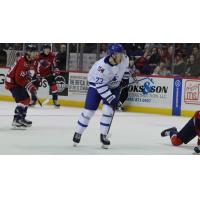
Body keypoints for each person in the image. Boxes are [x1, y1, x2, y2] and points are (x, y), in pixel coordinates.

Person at [73, 44, 129, 149]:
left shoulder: (125, 59)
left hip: (114, 87)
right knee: (88, 112)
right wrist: (112, 100)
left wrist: (125, 81)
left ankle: (103, 136)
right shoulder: (101, 67)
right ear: (112, 55)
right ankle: (78, 132)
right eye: (119, 54)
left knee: (108, 111)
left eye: (122, 54)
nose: (122, 56)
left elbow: (125, 69)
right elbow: (101, 86)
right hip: (96, 86)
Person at [4, 45, 38, 129]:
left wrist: (31, 84)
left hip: (17, 82)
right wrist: (30, 87)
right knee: (22, 100)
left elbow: (28, 76)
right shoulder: (23, 62)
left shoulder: (30, 61)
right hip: (12, 83)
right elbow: (18, 79)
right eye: (33, 52)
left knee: (27, 99)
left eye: (35, 51)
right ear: (28, 53)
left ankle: (21, 119)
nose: (35, 53)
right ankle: (16, 120)